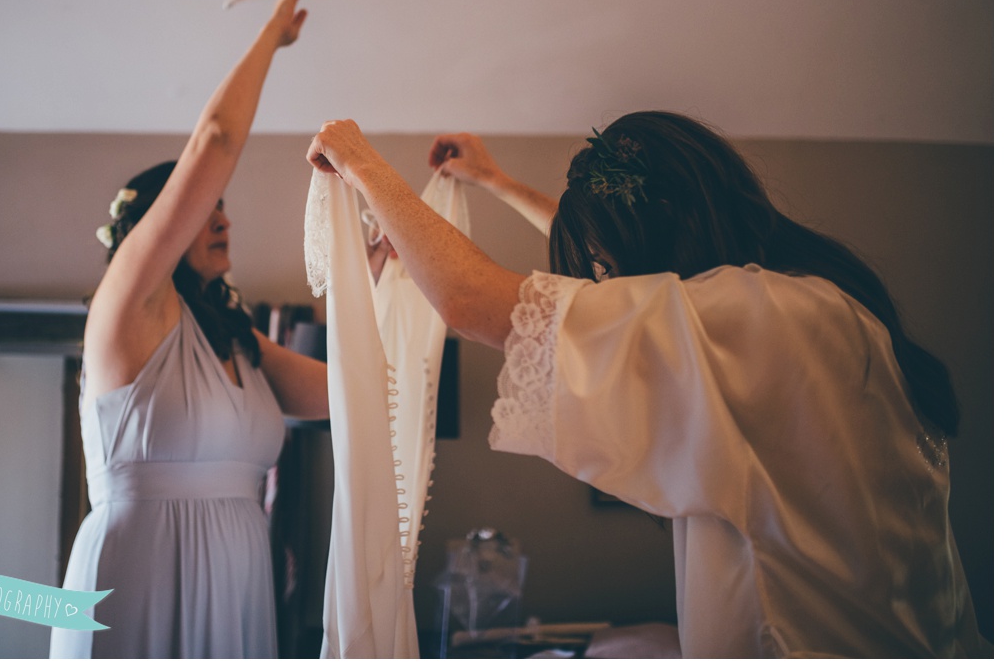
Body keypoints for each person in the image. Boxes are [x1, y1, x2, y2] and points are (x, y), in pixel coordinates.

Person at [305, 112, 990, 658]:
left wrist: (360, 160)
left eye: (608, 266)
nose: (608, 288)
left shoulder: (754, 317)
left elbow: (475, 301)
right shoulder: (816, 305)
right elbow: (636, 291)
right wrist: (496, 181)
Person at [49, 0, 328, 659]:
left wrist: (377, 275)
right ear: (155, 230)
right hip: (140, 573)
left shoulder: (238, 340)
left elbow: (351, 391)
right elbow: (214, 141)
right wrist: (273, 35)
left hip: (238, 585)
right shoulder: (129, 305)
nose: (222, 215)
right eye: (207, 205)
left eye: (226, 206)